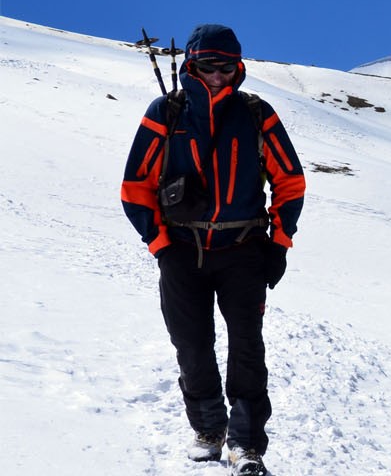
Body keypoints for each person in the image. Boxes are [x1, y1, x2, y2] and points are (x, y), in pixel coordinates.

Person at [120, 24, 305, 476]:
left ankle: (246, 443)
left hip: (243, 250)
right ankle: (208, 429)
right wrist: (160, 244)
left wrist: (278, 244)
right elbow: (134, 187)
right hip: (182, 250)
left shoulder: (257, 114)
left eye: (226, 67)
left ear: (238, 67)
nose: (217, 76)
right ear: (191, 65)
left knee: (247, 347)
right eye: (208, 66)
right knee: (191, 346)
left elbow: (290, 181)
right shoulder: (167, 112)